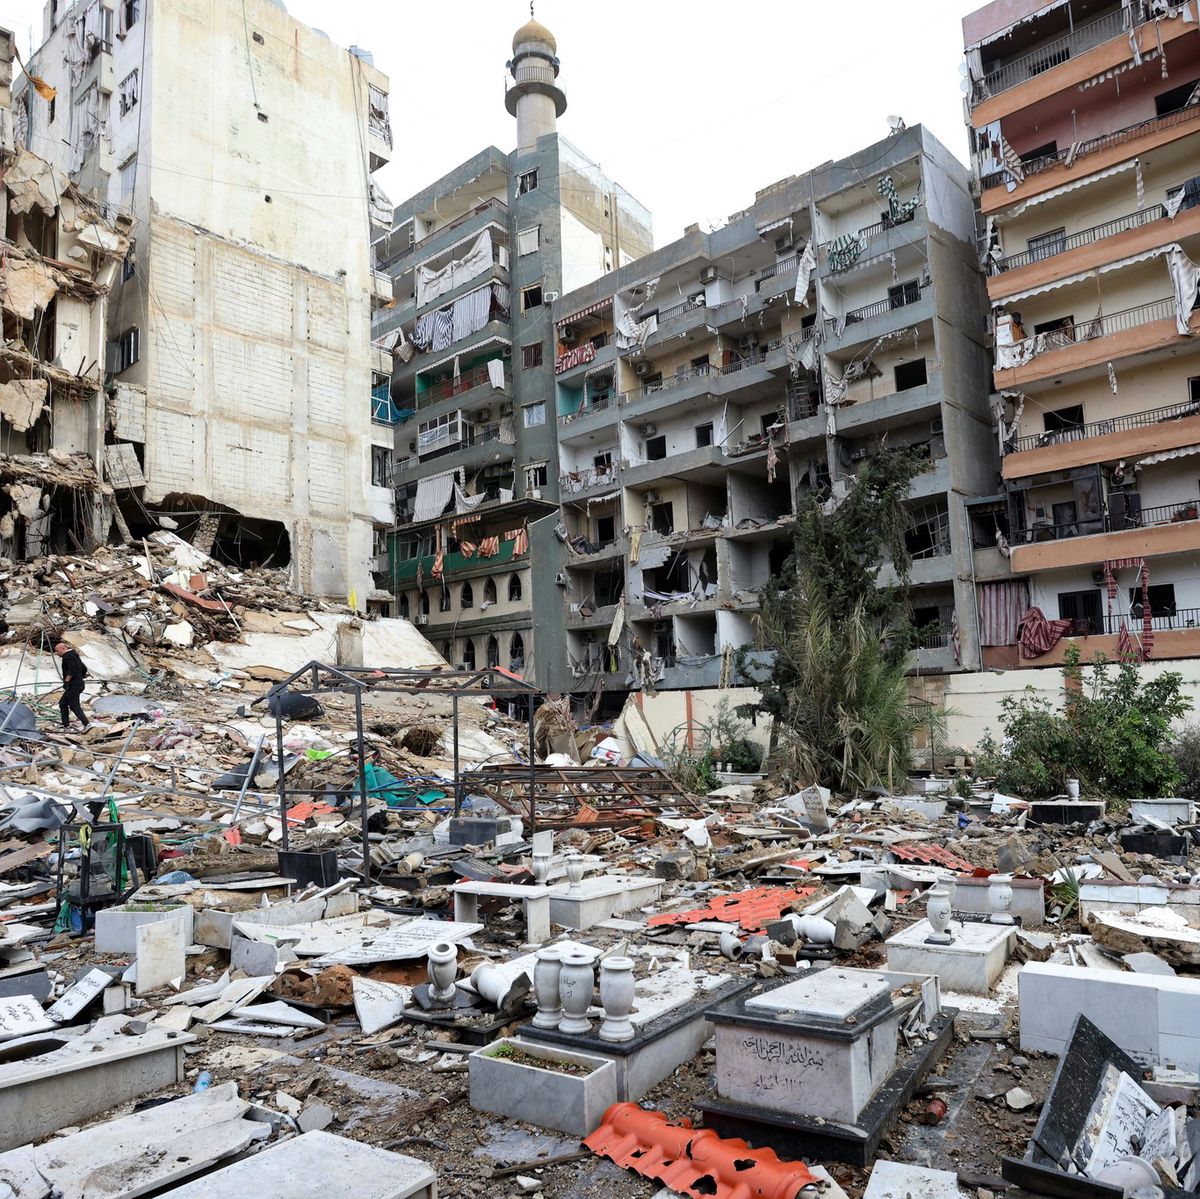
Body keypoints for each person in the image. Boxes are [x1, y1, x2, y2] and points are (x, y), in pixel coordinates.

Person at [55, 641, 90, 731]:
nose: (57, 653)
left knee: (74, 705)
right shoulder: (74, 655)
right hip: (76, 684)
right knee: (63, 703)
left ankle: (87, 724)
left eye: (57, 651)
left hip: (74, 685)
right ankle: (65, 724)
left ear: (63, 649)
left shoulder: (68, 657)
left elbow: (72, 669)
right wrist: (80, 677)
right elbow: (84, 668)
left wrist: (67, 681)